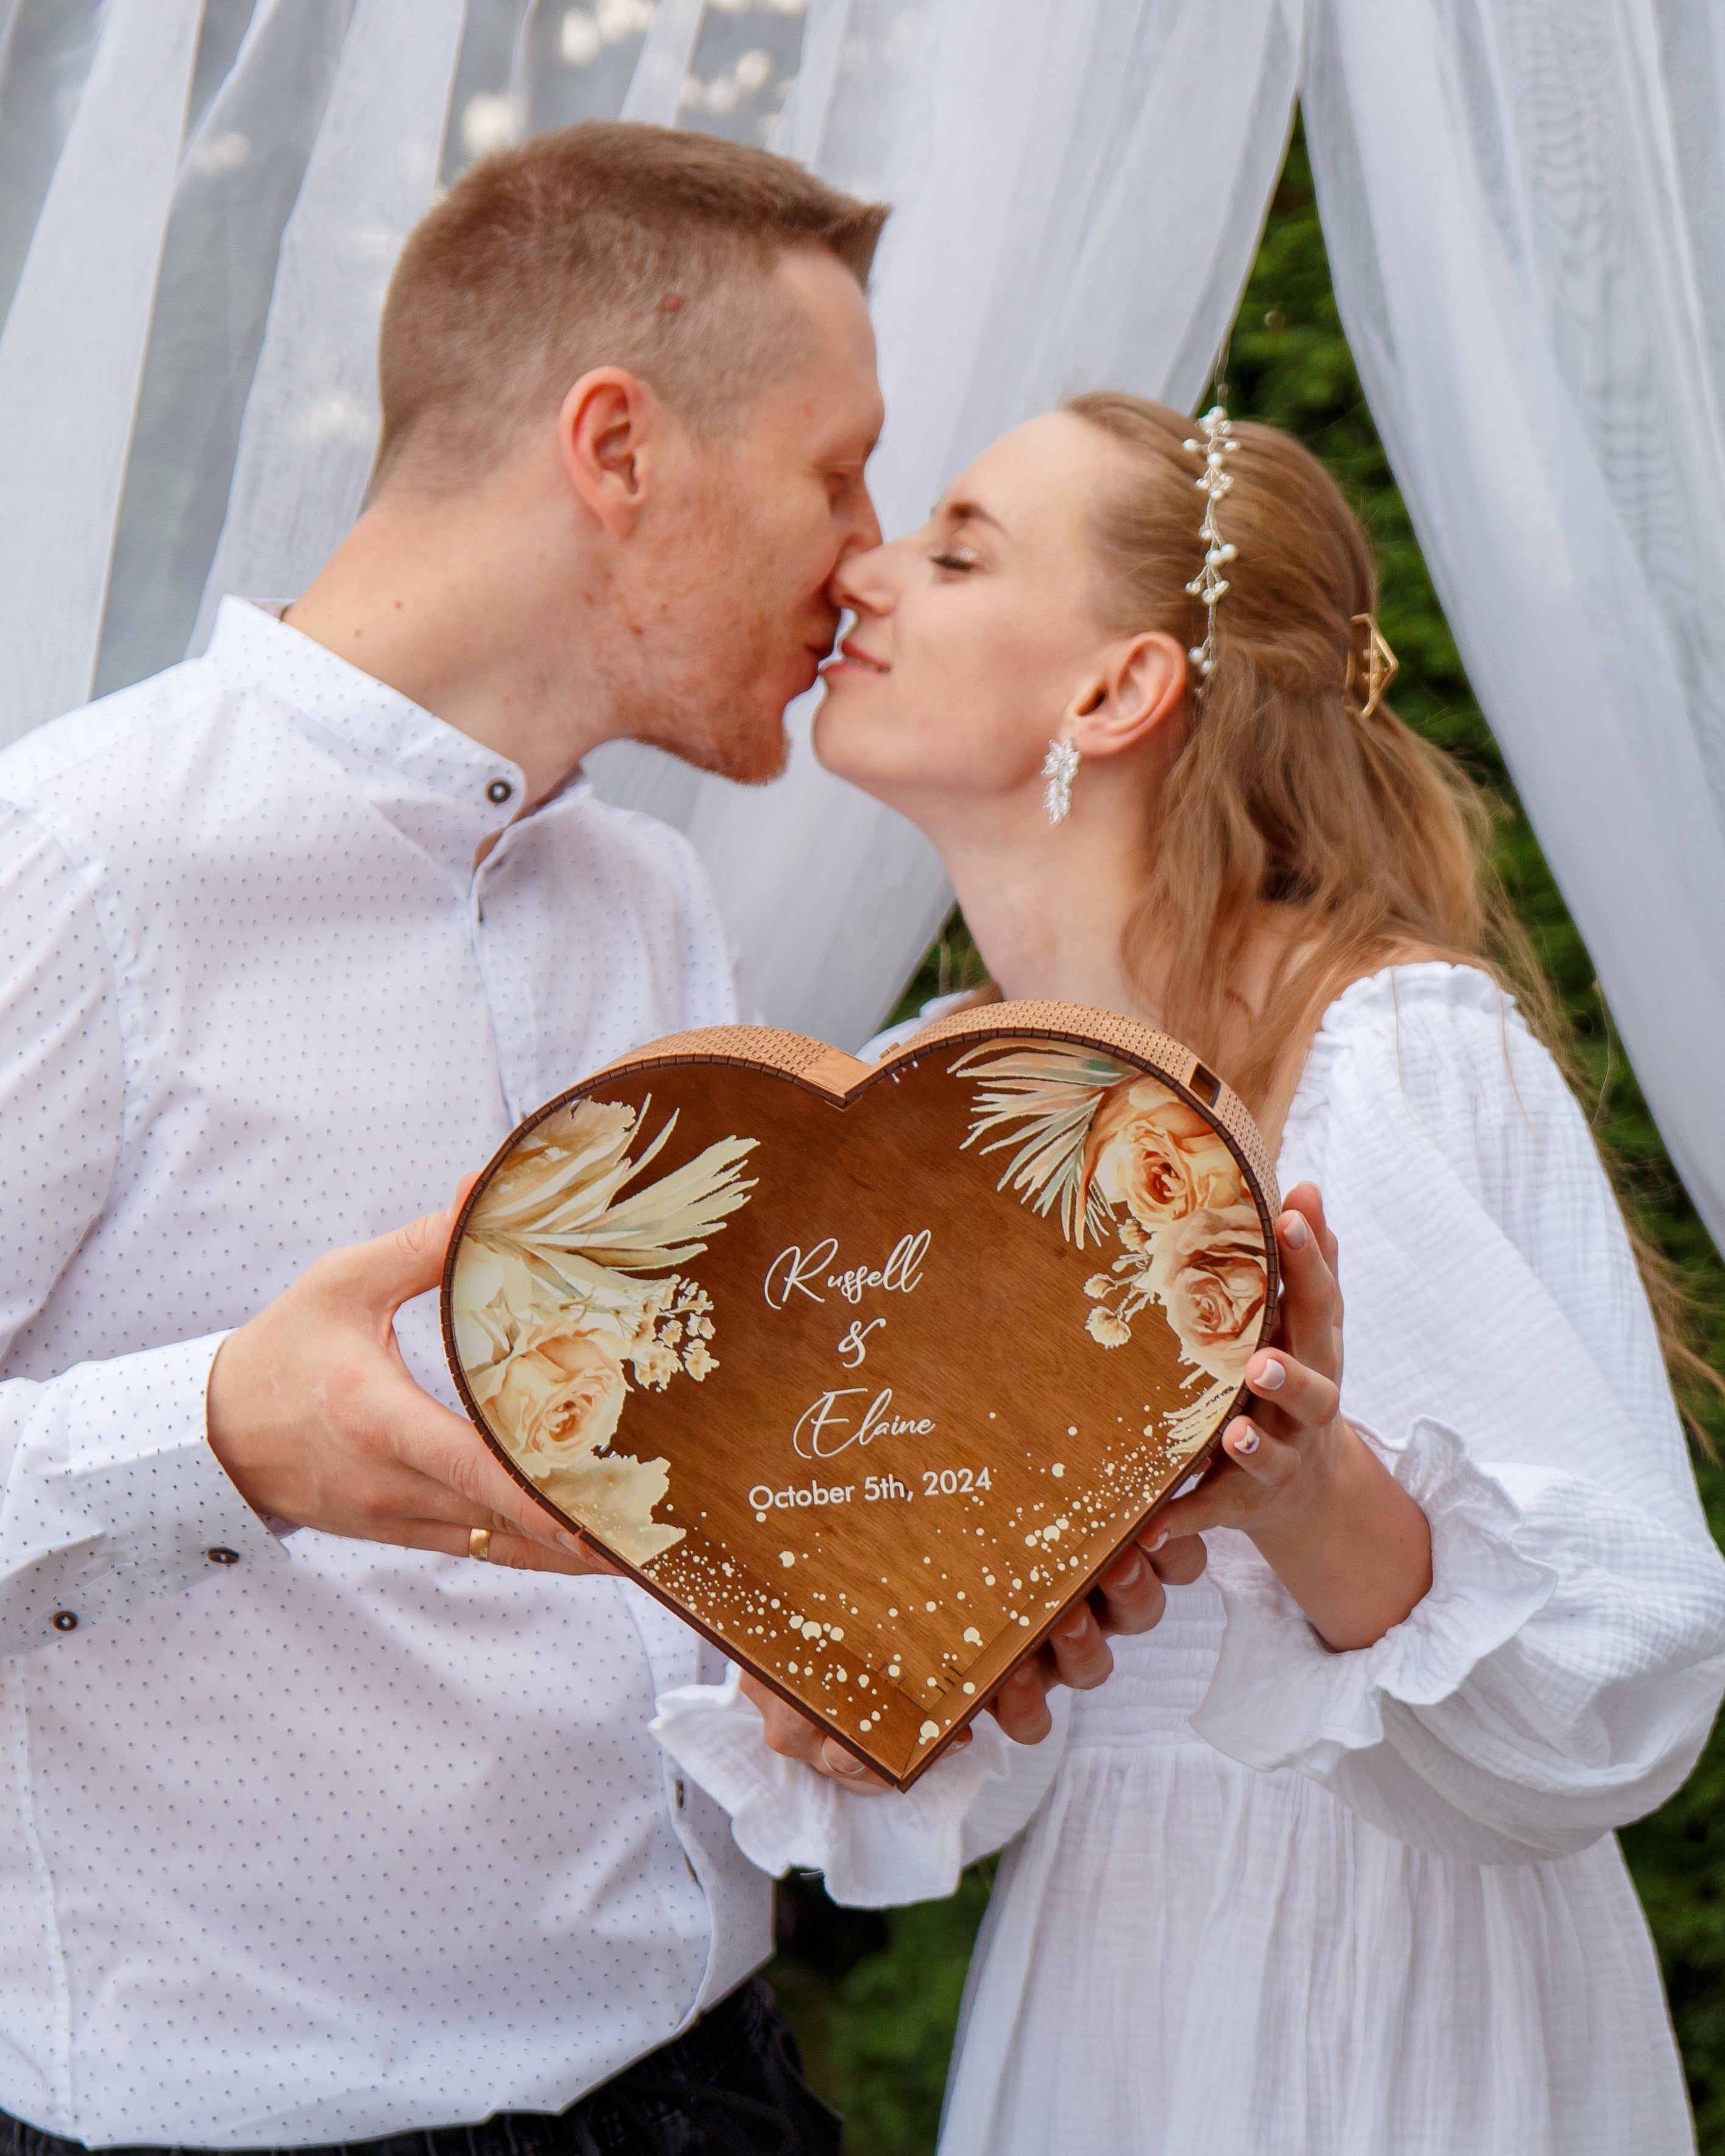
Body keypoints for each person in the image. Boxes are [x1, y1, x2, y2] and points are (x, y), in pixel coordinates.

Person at [0, 120, 1163, 2156]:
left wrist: (865, 1647)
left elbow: (677, 1566)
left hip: (715, 2087)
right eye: (836, 469)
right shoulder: (76, 871)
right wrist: (215, 1437)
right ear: (616, 448)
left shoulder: (655, 914)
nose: (868, 554)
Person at [652, 393, 1725, 2154]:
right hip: (1106, 1990)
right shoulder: (919, 1101)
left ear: (1115, 692)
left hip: (1403, 1993)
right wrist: (836, 1692)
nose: (869, 566)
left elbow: (1622, 1674)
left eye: (960, 544)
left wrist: (1303, 1492)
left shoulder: (1387, 1052)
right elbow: (945, 1713)